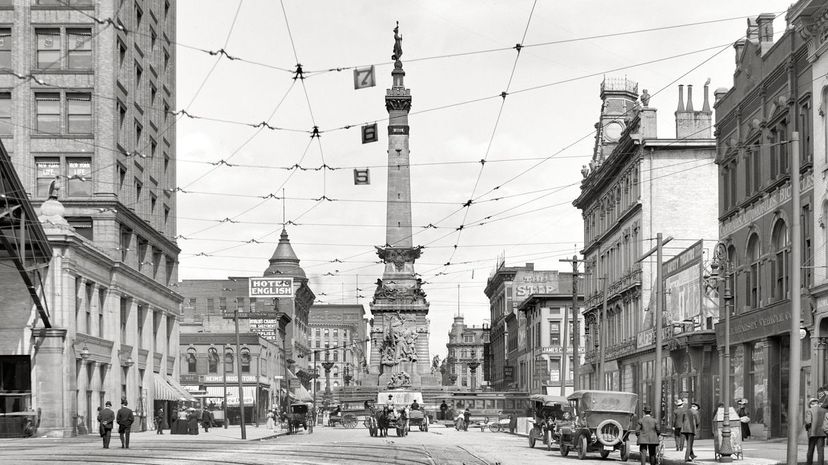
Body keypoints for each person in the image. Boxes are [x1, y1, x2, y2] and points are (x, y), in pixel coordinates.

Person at [806, 397, 827, 465]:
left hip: (812, 433)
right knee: (820, 451)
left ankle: (809, 463)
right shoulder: (824, 410)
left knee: (810, 450)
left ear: (811, 404)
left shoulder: (810, 410)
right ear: (817, 403)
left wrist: (807, 429)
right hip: (822, 433)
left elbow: (808, 422)